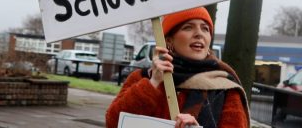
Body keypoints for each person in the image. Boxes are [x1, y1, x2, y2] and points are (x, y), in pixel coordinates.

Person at [106, 7, 249, 128]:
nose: (199, 34)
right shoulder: (142, 78)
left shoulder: (225, 88)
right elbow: (113, 122)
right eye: (188, 27)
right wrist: (153, 83)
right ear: (169, 40)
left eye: (205, 29)